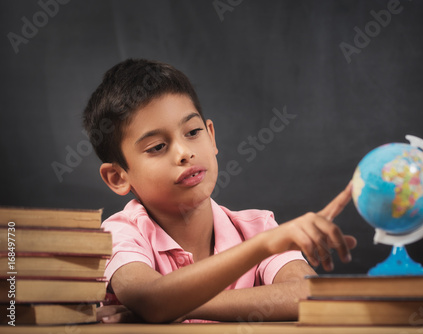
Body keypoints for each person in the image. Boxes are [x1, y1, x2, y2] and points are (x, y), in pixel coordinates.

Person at [83, 58, 357, 323]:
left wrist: (180, 307)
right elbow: (150, 299)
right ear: (118, 177)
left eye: (192, 132)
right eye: (157, 147)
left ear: (211, 136)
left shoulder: (259, 228)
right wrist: (262, 247)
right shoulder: (119, 233)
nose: (184, 153)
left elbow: (309, 294)